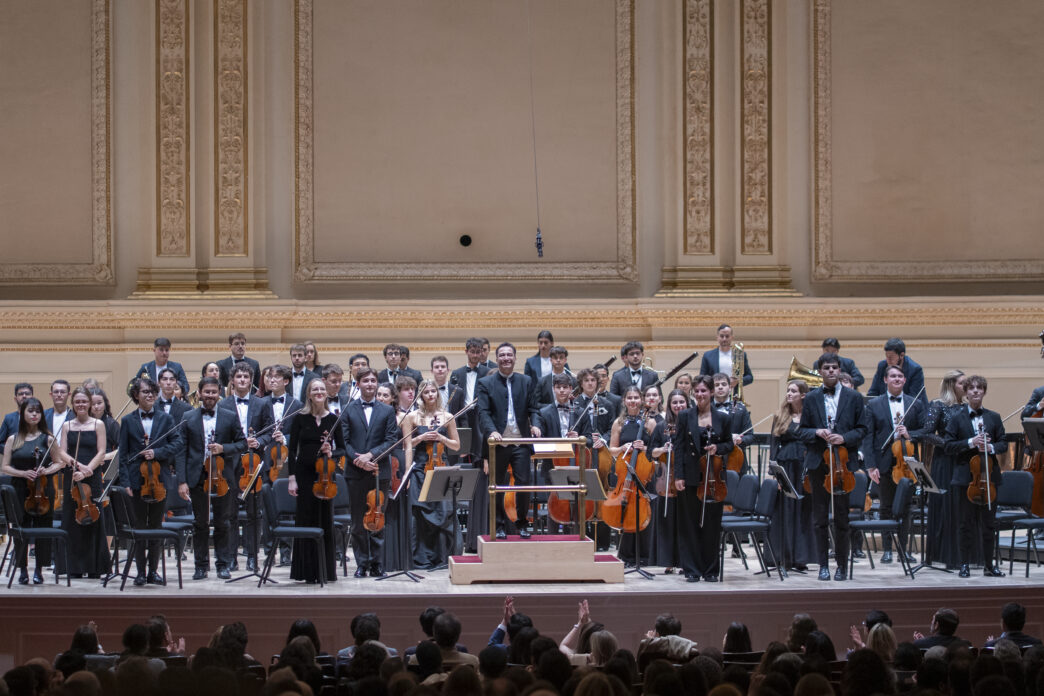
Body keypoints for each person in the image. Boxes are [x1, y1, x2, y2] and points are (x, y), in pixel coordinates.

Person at [798, 353, 866, 581]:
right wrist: (817, 432)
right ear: (819, 371)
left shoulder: (854, 397)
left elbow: (862, 429)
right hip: (819, 464)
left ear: (839, 370)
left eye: (834, 367)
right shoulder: (811, 398)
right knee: (819, 519)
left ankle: (842, 567)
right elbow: (802, 431)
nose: (830, 371)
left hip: (843, 466)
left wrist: (843, 438)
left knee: (842, 519)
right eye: (826, 367)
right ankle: (823, 567)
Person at [176, 376, 246, 580]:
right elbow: (181, 451)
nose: (210, 396)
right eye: (206, 392)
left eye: (214, 392)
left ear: (219, 393)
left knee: (223, 522)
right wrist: (182, 481)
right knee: (200, 524)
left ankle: (223, 565)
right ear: (199, 393)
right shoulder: (188, 417)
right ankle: (201, 566)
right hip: (197, 478)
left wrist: (224, 448)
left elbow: (242, 444)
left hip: (223, 478)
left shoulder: (230, 416)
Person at [118, 377, 181, 586]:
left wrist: (157, 452)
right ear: (136, 395)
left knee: (155, 527)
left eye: (153, 392)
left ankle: (153, 571)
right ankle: (140, 572)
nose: (150, 395)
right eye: (145, 392)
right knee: (139, 528)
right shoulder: (127, 421)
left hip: (159, 482)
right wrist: (125, 481)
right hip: (137, 481)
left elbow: (177, 444)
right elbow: (124, 454)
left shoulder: (166, 419)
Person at [863, 364, 928, 564]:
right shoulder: (873, 405)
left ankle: (903, 550)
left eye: (900, 376)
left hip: (907, 465)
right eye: (893, 376)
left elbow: (925, 432)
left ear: (905, 380)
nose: (897, 379)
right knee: (885, 507)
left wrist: (910, 434)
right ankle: (887, 550)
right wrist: (870, 465)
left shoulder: (914, 404)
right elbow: (868, 437)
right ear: (885, 380)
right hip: (883, 463)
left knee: (907, 508)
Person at [944, 374, 1007, 578]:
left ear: (984, 392)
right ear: (966, 392)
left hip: (989, 479)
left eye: (980, 388)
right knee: (965, 525)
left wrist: (990, 446)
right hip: (965, 480)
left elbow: (1003, 443)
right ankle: (964, 565)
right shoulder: (956, 418)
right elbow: (948, 446)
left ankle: (989, 565)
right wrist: (971, 442)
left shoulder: (994, 417)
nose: (976, 391)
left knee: (989, 525)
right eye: (971, 388)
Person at [477, 342, 542, 538]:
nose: (506, 358)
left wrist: (536, 424)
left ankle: (522, 523)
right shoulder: (485, 383)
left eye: (509, 355)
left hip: (520, 441)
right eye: (502, 355)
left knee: (523, 483)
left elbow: (534, 408)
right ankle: (498, 526)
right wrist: (491, 431)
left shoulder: (527, 381)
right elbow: (483, 412)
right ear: (496, 359)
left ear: (515, 358)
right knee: (496, 486)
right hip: (498, 443)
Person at [672, 375, 734, 582]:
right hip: (690, 476)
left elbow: (729, 444)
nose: (699, 395)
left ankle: (710, 570)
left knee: (711, 524)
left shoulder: (723, 418)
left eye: (703, 391)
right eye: (696, 391)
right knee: (689, 524)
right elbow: (679, 447)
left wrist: (718, 448)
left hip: (713, 478)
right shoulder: (685, 416)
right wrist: (678, 476)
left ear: (712, 392)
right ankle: (691, 569)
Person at [287, 377, 346, 583]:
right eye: (315, 389)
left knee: (324, 520)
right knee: (305, 519)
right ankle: (305, 571)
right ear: (309, 394)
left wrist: (331, 452)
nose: (319, 392)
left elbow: (343, 449)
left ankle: (325, 571)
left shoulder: (333, 419)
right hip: (303, 476)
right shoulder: (299, 418)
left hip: (325, 476)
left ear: (326, 393)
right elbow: (292, 450)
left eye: (322, 389)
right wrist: (291, 478)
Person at [341, 367, 398, 578]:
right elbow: (343, 442)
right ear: (358, 384)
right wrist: (359, 459)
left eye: (373, 380)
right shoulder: (348, 409)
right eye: (366, 381)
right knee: (357, 522)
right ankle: (361, 564)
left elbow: (391, 440)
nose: (370, 384)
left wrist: (370, 456)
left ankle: (377, 563)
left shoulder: (387, 411)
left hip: (378, 471)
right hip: (355, 472)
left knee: (378, 519)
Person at [0, 397, 63, 584]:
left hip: (43, 489)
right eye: (30, 411)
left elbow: (59, 463)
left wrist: (46, 470)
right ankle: (22, 569)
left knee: (43, 528)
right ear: (23, 414)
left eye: (38, 411)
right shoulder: (14, 439)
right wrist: (22, 473)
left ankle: (39, 570)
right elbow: (5, 467)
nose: (34, 414)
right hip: (20, 489)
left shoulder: (49, 438)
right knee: (21, 528)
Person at [219, 361, 273, 572]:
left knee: (254, 513)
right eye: (239, 377)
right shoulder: (222, 405)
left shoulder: (261, 403)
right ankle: (231, 557)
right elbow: (221, 436)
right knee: (230, 514)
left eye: (246, 377)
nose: (242, 380)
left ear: (251, 381)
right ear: (232, 380)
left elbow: (269, 431)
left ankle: (252, 556)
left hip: (254, 464)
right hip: (230, 464)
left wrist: (258, 442)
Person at [403, 378, 461, 569]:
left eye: (433, 392)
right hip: (419, 470)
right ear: (420, 395)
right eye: (426, 392)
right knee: (419, 515)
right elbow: (406, 446)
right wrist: (420, 438)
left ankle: (442, 557)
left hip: (440, 471)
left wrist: (441, 437)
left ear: (437, 394)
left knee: (442, 513)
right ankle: (421, 558)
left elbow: (457, 445)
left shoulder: (447, 416)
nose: (430, 395)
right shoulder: (412, 417)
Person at [55, 387, 110, 578]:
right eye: (77, 402)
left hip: (92, 476)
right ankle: (74, 567)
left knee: (93, 518)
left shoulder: (98, 424)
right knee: (73, 519)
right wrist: (76, 464)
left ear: (89, 403)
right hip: (73, 474)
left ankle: (94, 567)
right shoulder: (67, 426)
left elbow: (101, 451)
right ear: (73, 404)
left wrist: (88, 469)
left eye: (84, 401)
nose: (80, 405)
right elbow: (62, 451)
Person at [607, 385, 658, 568]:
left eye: (636, 398)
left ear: (642, 400)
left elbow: (655, 451)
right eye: (629, 398)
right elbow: (612, 450)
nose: (633, 401)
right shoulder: (618, 423)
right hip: (626, 476)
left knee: (644, 513)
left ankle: (645, 556)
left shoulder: (651, 423)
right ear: (624, 401)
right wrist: (622, 448)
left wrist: (643, 448)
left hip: (643, 475)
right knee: (627, 512)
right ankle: (627, 555)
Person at [768, 380, 816, 572]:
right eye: (788, 390)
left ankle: (801, 557)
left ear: (803, 395)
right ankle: (783, 557)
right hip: (786, 467)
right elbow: (773, 446)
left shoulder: (811, 416)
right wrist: (774, 473)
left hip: (805, 468)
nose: (788, 394)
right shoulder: (780, 416)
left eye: (793, 391)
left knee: (804, 511)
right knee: (785, 511)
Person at [922, 370, 967, 570]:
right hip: (944, 462)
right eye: (962, 383)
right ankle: (943, 555)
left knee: (961, 508)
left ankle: (961, 555)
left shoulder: (967, 408)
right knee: (945, 507)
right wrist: (948, 444)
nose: (966, 387)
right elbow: (928, 433)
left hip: (963, 460)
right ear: (951, 385)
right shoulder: (937, 405)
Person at [649, 389, 688, 573]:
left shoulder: (691, 424)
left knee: (685, 523)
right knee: (668, 521)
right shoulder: (661, 426)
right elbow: (651, 453)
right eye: (675, 402)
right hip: (666, 479)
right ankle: (668, 561)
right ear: (669, 405)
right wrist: (663, 449)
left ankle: (685, 561)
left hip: (686, 478)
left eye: (682, 402)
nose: (678, 405)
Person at [712, 372, 755, 470]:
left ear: (730, 388)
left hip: (736, 460)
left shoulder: (741, 409)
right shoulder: (705, 409)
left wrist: (740, 440)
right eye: (716, 385)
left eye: (724, 384)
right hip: (712, 461)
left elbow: (750, 436)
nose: (720, 387)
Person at [866, 337, 927, 406]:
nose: (888, 360)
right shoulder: (882, 366)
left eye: (891, 357)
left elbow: (913, 398)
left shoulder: (915, 369)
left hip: (911, 409)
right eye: (886, 356)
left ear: (901, 355)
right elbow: (873, 392)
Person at [699, 325, 753, 397]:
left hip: (734, 396)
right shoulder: (708, 356)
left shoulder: (739, 355)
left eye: (727, 336)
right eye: (721, 336)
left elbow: (749, 377)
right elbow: (702, 378)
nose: (724, 339)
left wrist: (737, 381)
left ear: (732, 337)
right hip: (713, 398)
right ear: (717, 337)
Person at [0, 382, 34, 454]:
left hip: (36, 462)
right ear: (15, 399)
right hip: (13, 463)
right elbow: (0, 443)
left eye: (27, 393)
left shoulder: (40, 417)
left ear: (32, 398)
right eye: (20, 394)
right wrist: (12, 451)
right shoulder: (9, 418)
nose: (24, 396)